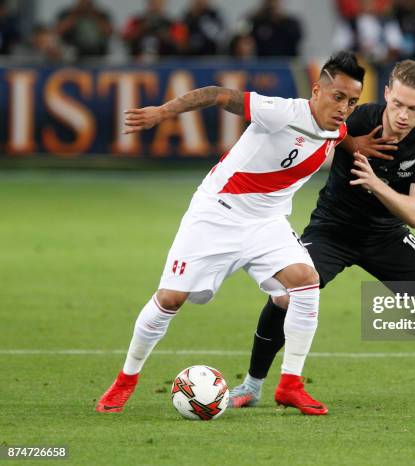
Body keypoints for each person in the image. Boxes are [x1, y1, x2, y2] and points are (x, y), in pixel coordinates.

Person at [229, 59, 415, 410]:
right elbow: (313, 131)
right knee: (286, 296)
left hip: (386, 237)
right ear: (387, 93)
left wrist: (376, 184)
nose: (404, 115)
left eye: (414, 108)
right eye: (398, 104)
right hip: (332, 230)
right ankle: (252, 386)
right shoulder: (356, 119)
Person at [95, 52, 365, 416]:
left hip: (267, 223)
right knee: (171, 298)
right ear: (316, 90)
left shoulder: (336, 127)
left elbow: (340, 136)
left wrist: (359, 147)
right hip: (216, 214)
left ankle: (290, 385)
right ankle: (126, 379)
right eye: (338, 97)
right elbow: (216, 94)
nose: (344, 107)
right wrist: (163, 112)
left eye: (352, 101)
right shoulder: (281, 112)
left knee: (305, 284)